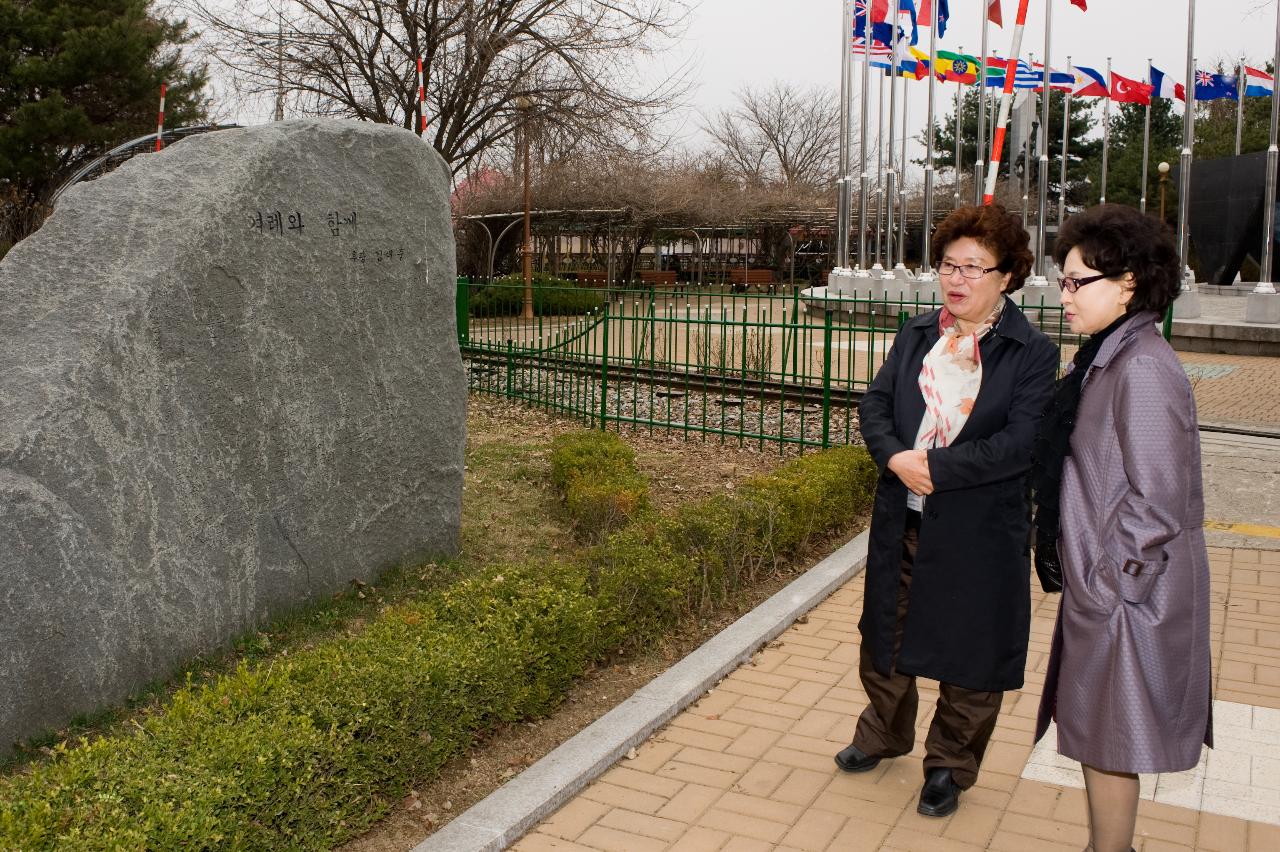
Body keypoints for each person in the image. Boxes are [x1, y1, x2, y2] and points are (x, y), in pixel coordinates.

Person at [834, 205, 1058, 817]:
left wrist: (934, 468)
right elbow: (876, 403)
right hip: (903, 517)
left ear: (1008, 276)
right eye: (948, 266)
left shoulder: (1031, 353)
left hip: (979, 528)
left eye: (975, 269)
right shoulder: (916, 335)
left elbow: (1021, 442)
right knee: (885, 636)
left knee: (970, 653)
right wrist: (894, 457)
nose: (956, 280)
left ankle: (950, 767)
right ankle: (882, 734)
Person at [1032, 204, 1212, 852]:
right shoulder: (1111, 354)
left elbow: (1159, 502)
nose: (1064, 294)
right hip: (1105, 590)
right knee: (1102, 735)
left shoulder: (1142, 367)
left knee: (1111, 737)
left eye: (1078, 281)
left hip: (1122, 596)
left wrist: (1110, 585)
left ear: (1129, 282)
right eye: (1063, 279)